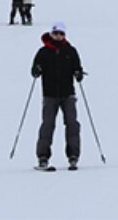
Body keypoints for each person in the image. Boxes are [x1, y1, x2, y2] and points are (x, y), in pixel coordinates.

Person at [32, 21, 85, 170]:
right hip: (49, 95)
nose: (58, 36)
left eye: (61, 33)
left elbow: (78, 67)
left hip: (68, 94)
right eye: (55, 33)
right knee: (47, 125)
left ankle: (73, 155)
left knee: (72, 124)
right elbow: (34, 70)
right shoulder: (43, 52)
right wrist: (37, 69)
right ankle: (43, 157)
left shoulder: (71, 51)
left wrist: (78, 74)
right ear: (51, 34)